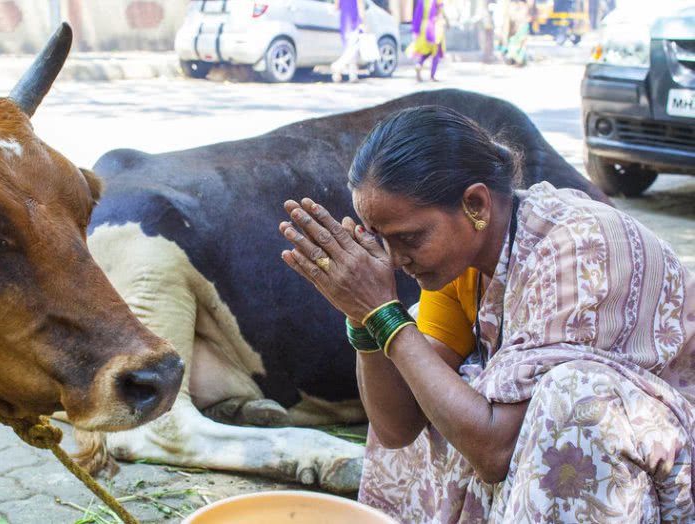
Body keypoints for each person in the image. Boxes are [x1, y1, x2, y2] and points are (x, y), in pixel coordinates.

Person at [279, 106, 694, 521]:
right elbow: (398, 431)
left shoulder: (583, 246)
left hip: (675, 472)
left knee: (571, 396)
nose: (394, 259)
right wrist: (365, 319)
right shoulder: (461, 268)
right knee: (425, 372)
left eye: (408, 237)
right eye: (380, 240)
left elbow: (495, 451)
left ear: (475, 204)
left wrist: (385, 315)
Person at [408, 0, 447, 81]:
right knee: (435, 52)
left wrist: (416, 29)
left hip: (424, 27)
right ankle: (432, 76)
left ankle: (419, 64)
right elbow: (441, 12)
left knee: (427, 51)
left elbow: (417, 15)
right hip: (434, 27)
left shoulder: (422, 1)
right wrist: (446, 21)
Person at [330, 0, 367, 83]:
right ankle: (337, 65)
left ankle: (353, 76)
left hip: (344, 21)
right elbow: (360, 5)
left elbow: (336, 7)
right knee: (353, 49)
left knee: (349, 49)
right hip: (354, 21)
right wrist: (363, 22)